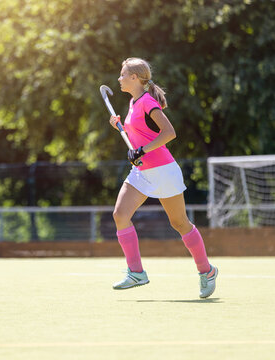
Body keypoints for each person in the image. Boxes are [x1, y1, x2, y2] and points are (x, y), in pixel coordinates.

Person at [109, 57, 217, 298]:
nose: (120, 78)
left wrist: (142, 151)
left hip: (163, 170)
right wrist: (121, 129)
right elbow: (140, 136)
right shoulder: (132, 102)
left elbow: (169, 133)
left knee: (179, 223)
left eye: (123, 74)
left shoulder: (147, 102)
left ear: (135, 78)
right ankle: (136, 272)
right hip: (141, 172)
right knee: (120, 215)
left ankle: (206, 271)